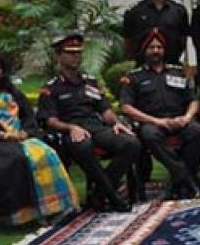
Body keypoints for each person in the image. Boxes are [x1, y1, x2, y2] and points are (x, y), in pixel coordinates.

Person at [0, 52, 79, 225]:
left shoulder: (12, 92)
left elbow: (28, 116)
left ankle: (55, 207)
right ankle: (26, 214)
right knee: (20, 158)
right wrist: (0, 134)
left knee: (46, 153)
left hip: (20, 137)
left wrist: (25, 133)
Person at [37, 34, 140, 212]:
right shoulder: (51, 88)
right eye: (70, 53)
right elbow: (50, 120)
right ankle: (113, 197)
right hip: (70, 130)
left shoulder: (90, 83)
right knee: (83, 145)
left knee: (131, 143)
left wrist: (116, 122)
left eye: (78, 53)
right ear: (59, 56)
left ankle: (100, 192)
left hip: (96, 127)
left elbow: (105, 111)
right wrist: (71, 127)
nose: (76, 57)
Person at [118, 28, 200, 199]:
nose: (156, 51)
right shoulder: (134, 77)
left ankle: (177, 181)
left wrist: (186, 118)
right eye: (151, 47)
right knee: (150, 135)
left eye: (159, 47)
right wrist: (157, 121)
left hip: (180, 120)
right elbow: (126, 107)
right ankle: (186, 179)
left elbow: (193, 100)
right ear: (144, 50)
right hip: (152, 123)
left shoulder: (178, 72)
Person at [122, 0, 192, 65]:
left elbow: (182, 41)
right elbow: (128, 44)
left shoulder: (178, 11)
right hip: (144, 67)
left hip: (171, 65)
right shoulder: (134, 12)